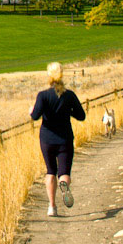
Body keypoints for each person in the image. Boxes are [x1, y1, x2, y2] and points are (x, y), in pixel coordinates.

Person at [31, 62, 85, 216]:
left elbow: (35, 116)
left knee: (50, 171)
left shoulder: (43, 95)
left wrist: (31, 110)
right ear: (62, 75)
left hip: (47, 139)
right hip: (65, 139)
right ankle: (64, 185)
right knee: (64, 172)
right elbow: (81, 116)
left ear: (49, 76)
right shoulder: (69, 95)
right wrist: (68, 111)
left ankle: (52, 207)